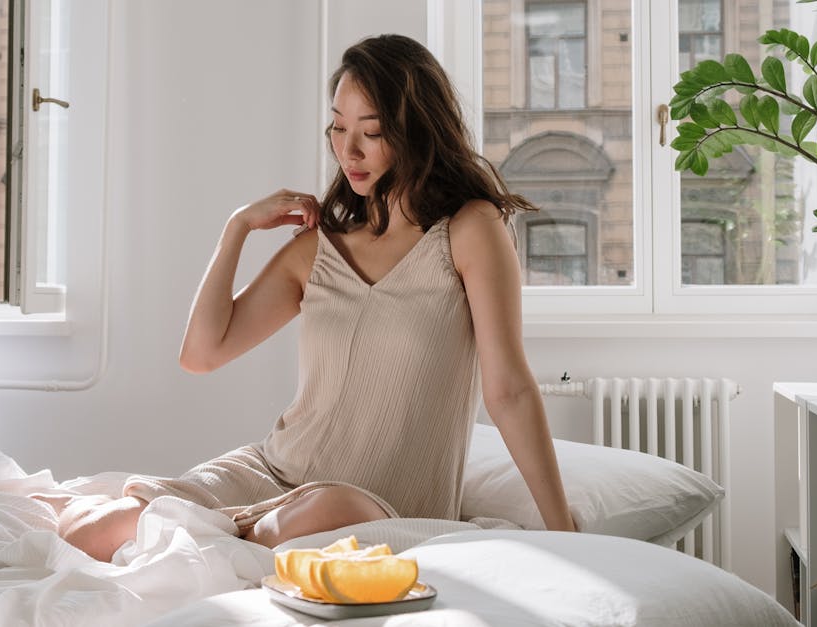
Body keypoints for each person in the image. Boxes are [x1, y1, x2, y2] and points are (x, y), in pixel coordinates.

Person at [47, 34, 575, 562]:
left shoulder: (469, 230)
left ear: (417, 130)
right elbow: (202, 354)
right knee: (88, 533)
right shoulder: (318, 251)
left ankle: (218, 536)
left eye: (371, 132)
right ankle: (228, 534)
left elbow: (509, 390)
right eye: (339, 128)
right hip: (274, 470)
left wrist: (564, 531)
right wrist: (237, 229)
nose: (350, 151)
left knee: (322, 514)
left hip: (374, 504)